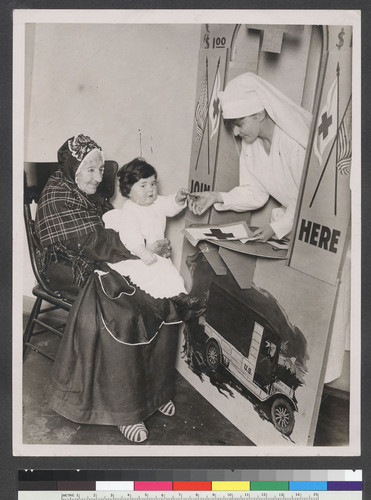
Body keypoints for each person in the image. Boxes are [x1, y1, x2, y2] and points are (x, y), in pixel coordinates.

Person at [34, 134, 185, 443]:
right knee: (125, 311)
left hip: (101, 257)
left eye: (101, 169)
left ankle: (154, 394)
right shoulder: (57, 196)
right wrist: (143, 249)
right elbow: (92, 241)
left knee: (165, 300)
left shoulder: (89, 195)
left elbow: (114, 229)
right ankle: (125, 410)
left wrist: (145, 248)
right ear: (73, 168)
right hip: (66, 267)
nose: (97, 177)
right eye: (90, 169)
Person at [188, 72, 312, 242]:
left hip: (313, 222)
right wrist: (217, 196)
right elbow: (255, 193)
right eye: (233, 127)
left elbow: (308, 198)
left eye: (239, 124)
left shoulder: (295, 142)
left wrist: (276, 228)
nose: (236, 133)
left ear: (259, 114)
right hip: (292, 225)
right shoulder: (251, 144)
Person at [103, 158, 200, 310]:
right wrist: (142, 252)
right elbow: (129, 235)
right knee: (152, 280)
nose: (150, 189)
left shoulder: (157, 202)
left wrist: (178, 199)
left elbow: (169, 206)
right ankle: (169, 301)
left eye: (153, 184)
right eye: (143, 185)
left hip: (159, 255)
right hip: (140, 256)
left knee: (172, 275)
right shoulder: (130, 210)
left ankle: (181, 298)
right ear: (128, 191)